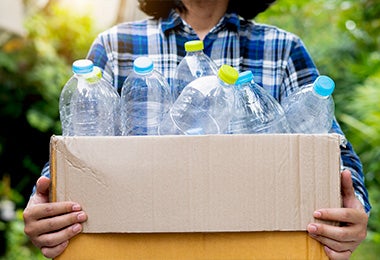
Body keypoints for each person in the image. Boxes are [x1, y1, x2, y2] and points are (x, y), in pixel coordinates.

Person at [23, 0, 371, 259]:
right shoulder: (116, 47)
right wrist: (50, 205)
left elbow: (332, 150)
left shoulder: (283, 49)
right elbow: (78, 147)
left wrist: (351, 213)